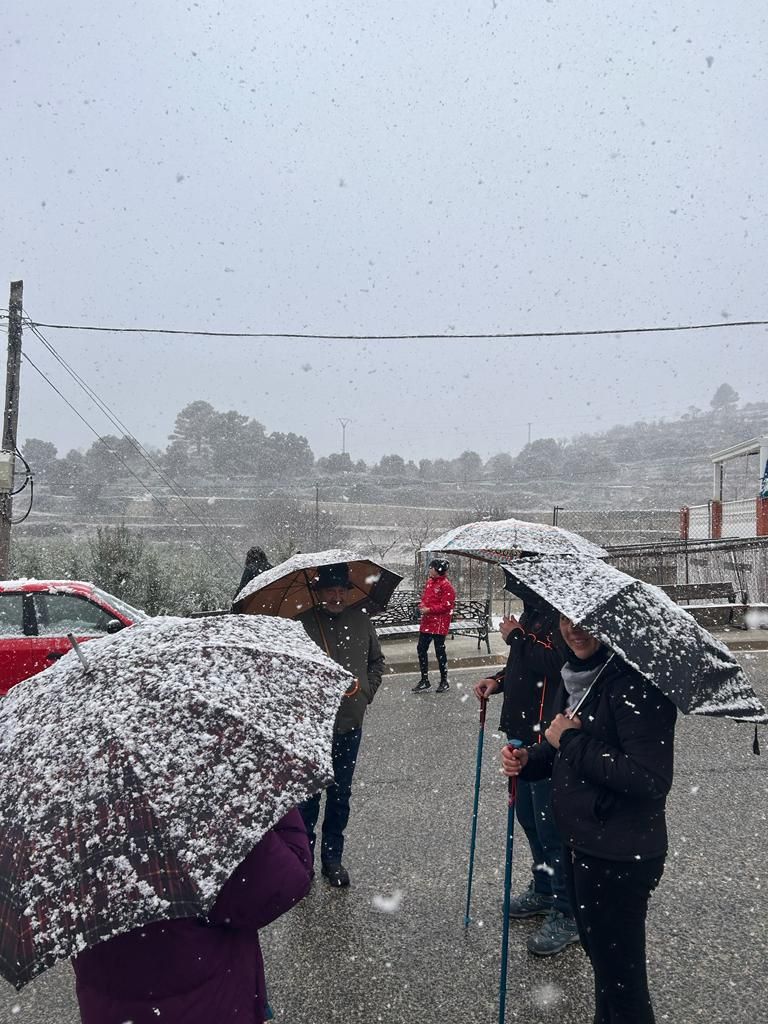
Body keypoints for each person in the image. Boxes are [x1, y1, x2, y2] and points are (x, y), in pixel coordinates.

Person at [501, 615, 677, 1024]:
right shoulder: (583, 674)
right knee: (607, 972)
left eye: (587, 622)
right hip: (583, 843)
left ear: (614, 624)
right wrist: (529, 759)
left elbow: (649, 778)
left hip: (620, 854)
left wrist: (570, 739)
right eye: (566, 619)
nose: (573, 629)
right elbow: (563, 744)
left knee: (623, 983)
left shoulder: (636, 684)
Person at [73, 808, 312, 1024]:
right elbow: (286, 880)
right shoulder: (199, 793)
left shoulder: (67, 807)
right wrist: (274, 797)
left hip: (109, 1005)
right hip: (210, 1002)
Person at [472, 595, 579, 956]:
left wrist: (516, 636)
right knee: (529, 819)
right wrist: (497, 680)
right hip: (519, 733)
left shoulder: (564, 618)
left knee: (552, 828)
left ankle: (568, 911)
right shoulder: (535, 615)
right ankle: (544, 888)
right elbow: (523, 663)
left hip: (545, 740)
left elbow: (556, 663)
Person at [297, 562, 385, 888]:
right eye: (329, 590)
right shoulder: (302, 626)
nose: (336, 596)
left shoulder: (361, 621)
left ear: (348, 592)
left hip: (350, 724)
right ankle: (302, 863)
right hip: (313, 727)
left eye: (341, 590)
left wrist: (366, 692)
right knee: (307, 799)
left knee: (340, 795)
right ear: (319, 592)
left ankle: (332, 859)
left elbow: (377, 661)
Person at [412, 558, 456, 693]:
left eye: (432, 567)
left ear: (438, 570)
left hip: (439, 624)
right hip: (427, 622)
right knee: (421, 649)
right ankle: (424, 679)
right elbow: (425, 600)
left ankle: (444, 681)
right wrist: (421, 607)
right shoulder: (430, 582)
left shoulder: (446, 585)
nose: (429, 569)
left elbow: (447, 605)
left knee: (440, 652)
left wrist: (429, 610)